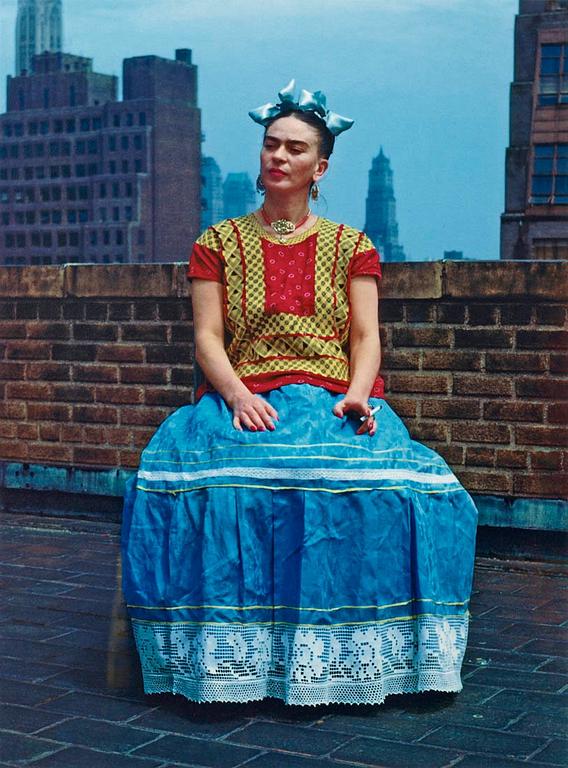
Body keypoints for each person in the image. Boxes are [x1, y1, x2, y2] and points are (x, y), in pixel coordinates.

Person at [121, 80, 478, 707]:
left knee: (393, 492)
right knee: (226, 486)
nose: (278, 157)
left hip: (335, 396)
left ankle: (349, 654)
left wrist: (360, 394)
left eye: (294, 148)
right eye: (270, 145)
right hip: (246, 393)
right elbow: (207, 338)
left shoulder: (352, 247)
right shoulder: (218, 244)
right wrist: (234, 395)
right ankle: (236, 659)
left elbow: (366, 337)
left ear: (321, 166)